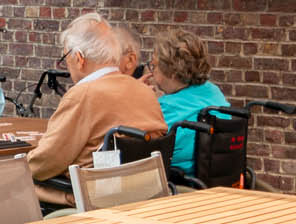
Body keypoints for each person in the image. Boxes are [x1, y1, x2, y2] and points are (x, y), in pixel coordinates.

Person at [24, 13, 169, 205]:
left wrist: (18, 166)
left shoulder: (82, 95)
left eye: (66, 56)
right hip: (145, 195)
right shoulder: (145, 92)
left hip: (95, 200)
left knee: (16, 182)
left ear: (79, 58)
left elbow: (44, 163)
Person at [143, 28, 230, 177]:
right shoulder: (214, 91)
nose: (151, 71)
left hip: (182, 183)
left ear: (173, 73)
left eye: (154, 65)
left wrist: (140, 98)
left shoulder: (166, 107)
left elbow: (137, 151)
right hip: (218, 178)